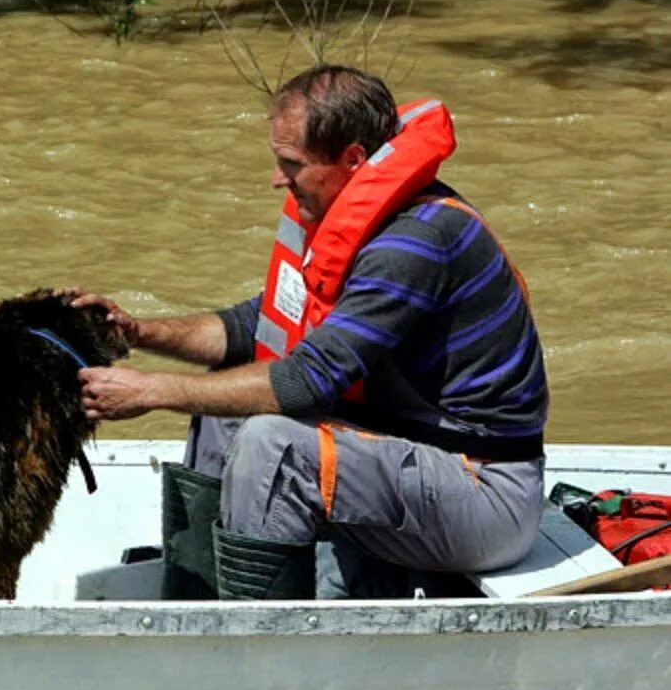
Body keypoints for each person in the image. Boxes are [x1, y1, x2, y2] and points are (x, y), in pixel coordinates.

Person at [74, 64, 548, 600]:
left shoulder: (416, 242)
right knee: (222, 398)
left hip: (486, 494)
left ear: (352, 159)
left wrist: (152, 391)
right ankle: (197, 602)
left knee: (271, 444)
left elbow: (306, 381)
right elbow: (253, 326)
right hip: (411, 457)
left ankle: (260, 654)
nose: (278, 178)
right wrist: (137, 332)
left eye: (291, 163)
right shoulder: (357, 221)